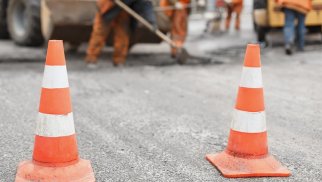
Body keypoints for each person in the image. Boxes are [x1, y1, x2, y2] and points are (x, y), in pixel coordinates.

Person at [86, 0, 156, 67]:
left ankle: (119, 61)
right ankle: (91, 59)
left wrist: (151, 21)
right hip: (108, 6)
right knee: (100, 33)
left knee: (123, 35)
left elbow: (145, 5)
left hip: (123, 10)